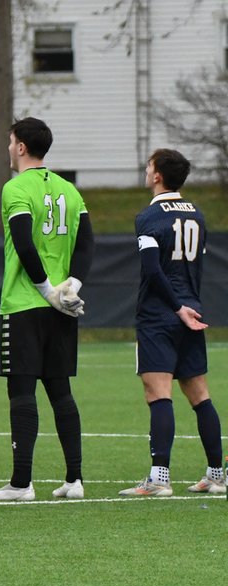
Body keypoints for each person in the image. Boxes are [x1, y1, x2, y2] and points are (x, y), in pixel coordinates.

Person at [0, 117, 93, 502]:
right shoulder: (70, 191)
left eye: (11, 142)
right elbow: (87, 245)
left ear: (22, 146)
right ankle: (74, 480)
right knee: (61, 391)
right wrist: (70, 287)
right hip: (62, 306)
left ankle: (21, 484)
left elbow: (25, 245)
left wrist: (46, 290)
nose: (9, 149)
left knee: (21, 391)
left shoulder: (15, 188)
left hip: (26, 303)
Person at [119, 149, 225, 497]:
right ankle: (216, 474)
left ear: (158, 176)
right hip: (192, 312)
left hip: (161, 314)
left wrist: (175, 306)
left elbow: (153, 269)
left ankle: (159, 478)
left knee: (158, 393)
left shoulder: (149, 217)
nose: (146, 172)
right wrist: (186, 306)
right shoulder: (197, 214)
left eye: (149, 167)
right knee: (200, 395)